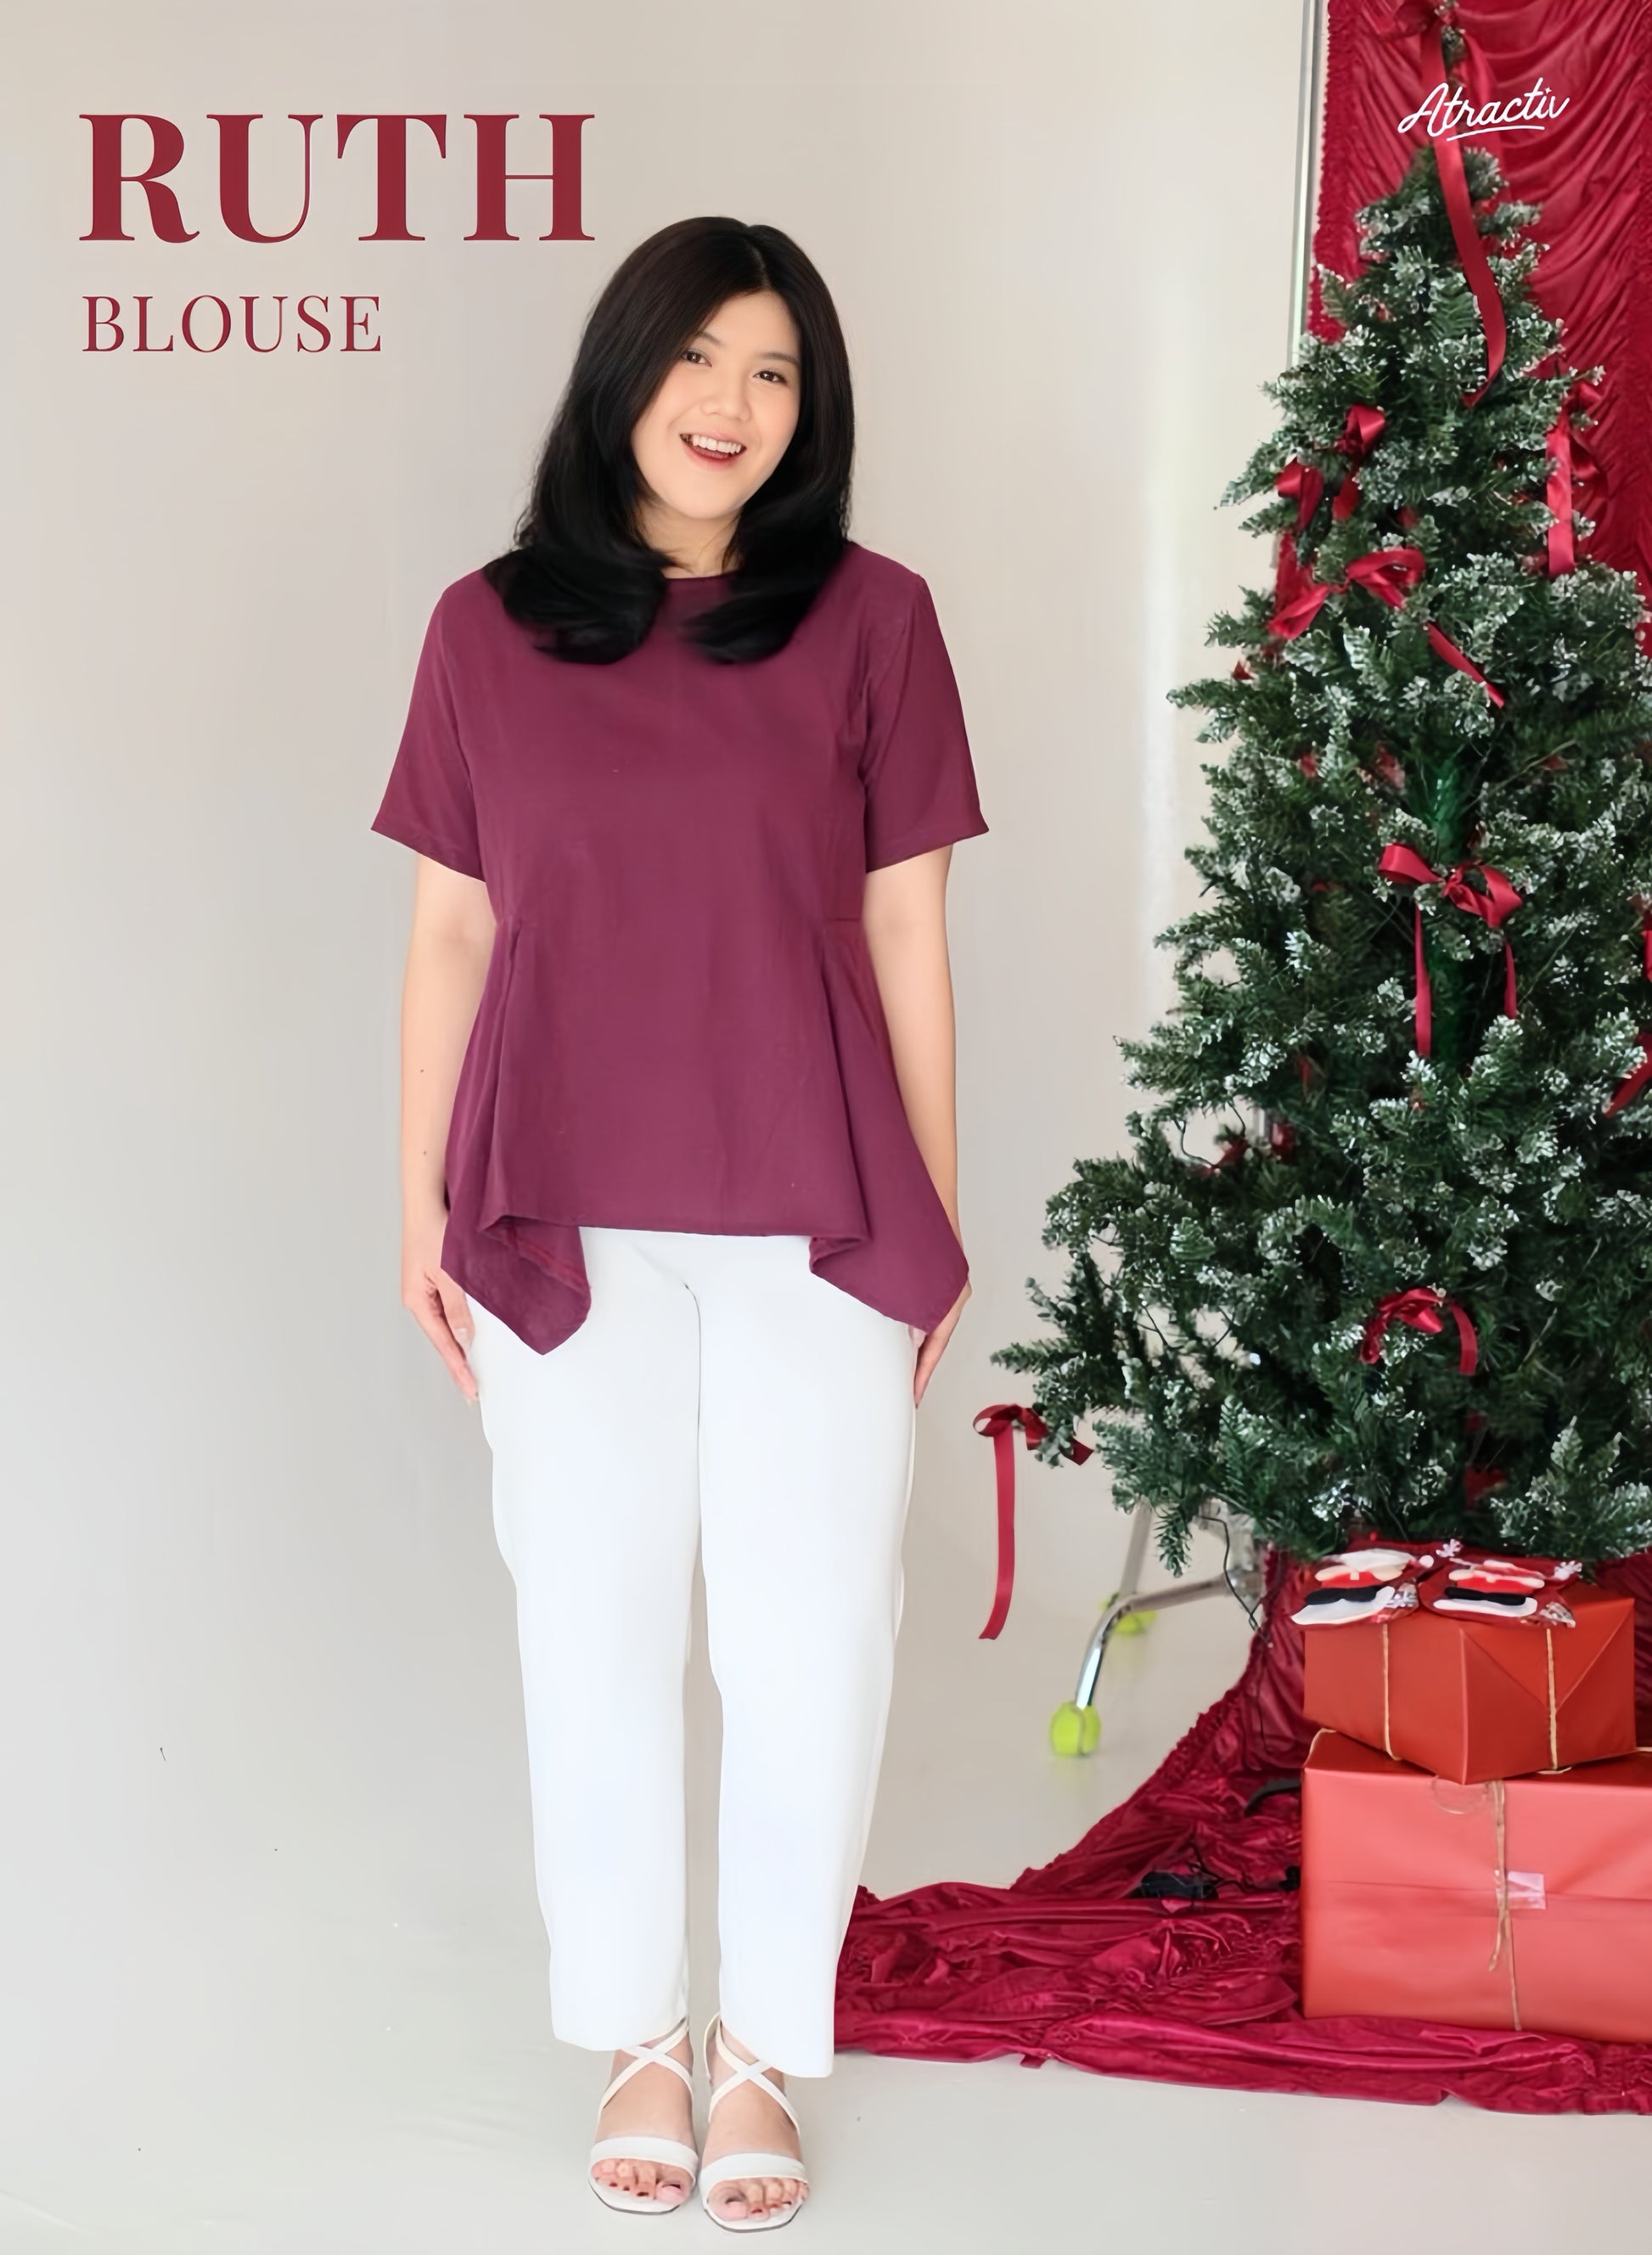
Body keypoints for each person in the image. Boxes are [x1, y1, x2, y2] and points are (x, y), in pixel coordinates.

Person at [369, 214, 988, 2230]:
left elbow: (907, 929)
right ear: (621, 375)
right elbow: (451, 932)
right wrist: (416, 1203)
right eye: (698, 359)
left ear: (813, 409)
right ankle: (639, 2027)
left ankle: (764, 2049)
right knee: (593, 1625)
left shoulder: (875, 619)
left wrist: (938, 1215)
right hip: (557, 1206)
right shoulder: (484, 629)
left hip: (821, 1206)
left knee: (815, 1637)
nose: (731, 405)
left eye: (775, 371)